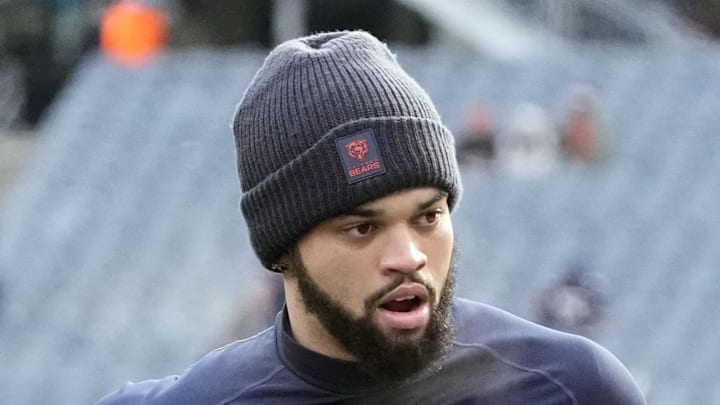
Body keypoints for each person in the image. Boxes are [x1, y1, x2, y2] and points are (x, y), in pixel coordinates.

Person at [97, 30, 645, 404]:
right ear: (284, 250)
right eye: (362, 228)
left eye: (428, 216)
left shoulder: (572, 389)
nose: (408, 257)